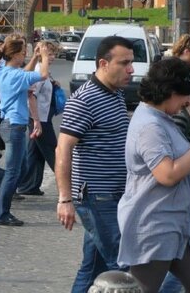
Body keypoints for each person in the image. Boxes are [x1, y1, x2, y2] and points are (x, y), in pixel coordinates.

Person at [117, 57, 190, 293]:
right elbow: (167, 174)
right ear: (168, 91)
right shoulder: (150, 126)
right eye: (184, 94)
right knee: (142, 289)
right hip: (155, 227)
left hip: (177, 227)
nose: (189, 100)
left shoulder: (162, 118)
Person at [55, 36, 134, 293]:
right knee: (121, 270)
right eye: (124, 63)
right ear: (103, 63)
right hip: (97, 198)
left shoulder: (115, 94)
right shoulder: (85, 100)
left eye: (131, 63)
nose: (131, 69)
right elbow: (63, 148)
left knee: (93, 269)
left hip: (112, 195)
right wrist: (65, 199)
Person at [0, 37, 50, 226]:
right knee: (13, 172)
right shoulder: (15, 75)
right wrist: (44, 56)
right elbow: (43, 75)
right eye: (23, 51)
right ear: (16, 54)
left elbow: (24, 74)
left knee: (19, 169)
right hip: (14, 126)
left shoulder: (4, 70)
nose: (26, 53)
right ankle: (1, 213)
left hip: (9, 124)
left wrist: (34, 58)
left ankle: (0, 207)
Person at [17, 41, 59, 196]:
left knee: (35, 153)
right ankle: (70, 185)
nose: (52, 57)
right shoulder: (38, 71)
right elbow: (32, 96)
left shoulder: (45, 71)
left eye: (53, 53)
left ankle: (29, 185)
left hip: (42, 116)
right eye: (50, 53)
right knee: (53, 152)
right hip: (39, 118)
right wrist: (36, 121)